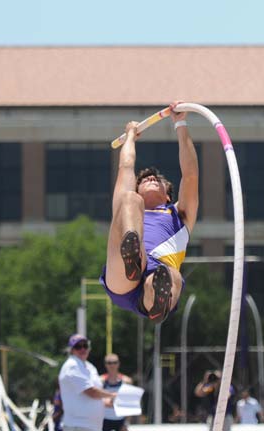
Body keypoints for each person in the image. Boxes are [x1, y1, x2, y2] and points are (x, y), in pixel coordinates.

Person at [100, 101, 199, 324]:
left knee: (169, 275)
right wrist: (130, 137)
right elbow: (126, 166)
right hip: (123, 275)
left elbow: (191, 176)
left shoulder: (179, 215)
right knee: (128, 200)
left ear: (167, 196)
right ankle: (133, 256)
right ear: (138, 187)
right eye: (145, 180)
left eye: (158, 181)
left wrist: (180, 123)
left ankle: (156, 302)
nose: (152, 179)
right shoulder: (130, 203)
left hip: (157, 277)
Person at [58, 334, 116, 431]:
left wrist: (108, 402)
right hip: (78, 426)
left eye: (85, 346)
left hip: (90, 426)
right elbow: (91, 392)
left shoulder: (89, 366)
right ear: (71, 350)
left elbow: (92, 396)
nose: (82, 349)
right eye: (78, 347)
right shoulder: (72, 366)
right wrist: (112, 395)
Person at [100, 353, 133, 431]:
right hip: (104, 420)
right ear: (105, 364)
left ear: (118, 364)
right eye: (109, 363)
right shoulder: (100, 380)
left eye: (115, 362)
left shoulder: (126, 381)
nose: (112, 365)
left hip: (121, 420)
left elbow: (131, 403)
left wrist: (127, 423)